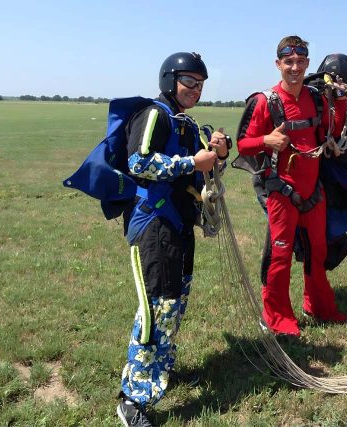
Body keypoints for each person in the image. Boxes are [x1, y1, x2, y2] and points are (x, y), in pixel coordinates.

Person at [116, 52, 229, 427]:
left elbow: (202, 171)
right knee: (157, 307)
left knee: (175, 302)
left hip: (179, 224)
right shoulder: (154, 115)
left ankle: (159, 370)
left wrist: (217, 154)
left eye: (200, 83)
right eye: (189, 81)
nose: (196, 89)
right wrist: (190, 163)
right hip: (154, 225)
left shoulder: (186, 123)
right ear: (169, 80)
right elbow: (140, 162)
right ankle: (132, 398)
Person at [236, 36, 347, 337]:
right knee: (280, 256)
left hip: (313, 192)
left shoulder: (315, 99)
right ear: (278, 65)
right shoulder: (264, 102)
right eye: (289, 62)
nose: (295, 67)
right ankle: (278, 318)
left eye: (300, 62)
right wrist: (266, 140)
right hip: (281, 192)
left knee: (318, 253)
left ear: (308, 64)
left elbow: (330, 132)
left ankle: (319, 307)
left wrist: (339, 101)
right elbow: (243, 145)